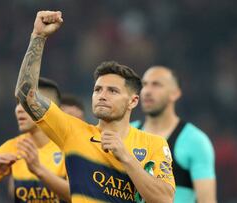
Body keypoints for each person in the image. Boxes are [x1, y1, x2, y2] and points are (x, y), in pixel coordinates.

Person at [14, 11, 175, 203]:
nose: (102, 96)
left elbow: (165, 200)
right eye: (98, 89)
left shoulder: (154, 144)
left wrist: (125, 157)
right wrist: (38, 37)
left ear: (133, 101)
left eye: (112, 91)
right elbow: (26, 95)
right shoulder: (73, 132)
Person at [0, 77, 71, 203]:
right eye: (18, 103)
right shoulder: (14, 146)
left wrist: (39, 170)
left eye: (27, 103)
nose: (19, 110)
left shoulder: (71, 146)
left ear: (50, 108)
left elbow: (83, 196)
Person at [131, 66, 216, 203]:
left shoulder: (195, 141)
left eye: (156, 84)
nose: (147, 91)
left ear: (175, 93)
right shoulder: (127, 132)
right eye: (144, 85)